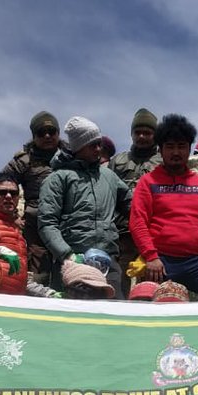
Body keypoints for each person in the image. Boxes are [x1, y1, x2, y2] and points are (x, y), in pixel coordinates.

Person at [131, 114, 198, 295]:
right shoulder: (147, 182)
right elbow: (137, 222)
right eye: (170, 146)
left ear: (189, 149)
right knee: (146, 302)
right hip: (159, 261)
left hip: (195, 262)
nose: (175, 152)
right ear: (160, 150)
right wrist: (151, 257)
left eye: (181, 146)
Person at [38, 116, 131, 291]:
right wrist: (66, 255)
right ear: (78, 147)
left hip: (108, 260)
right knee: (71, 313)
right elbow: (47, 223)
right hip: (72, 260)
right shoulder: (57, 178)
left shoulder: (109, 177)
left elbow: (133, 207)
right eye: (92, 145)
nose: (98, 149)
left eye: (99, 143)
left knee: (113, 310)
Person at [4, 111, 61, 284]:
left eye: (51, 131)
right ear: (33, 136)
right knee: (39, 273)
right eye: (41, 133)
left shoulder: (71, 157)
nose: (47, 136)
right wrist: (13, 216)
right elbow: (1, 184)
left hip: (66, 223)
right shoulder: (23, 161)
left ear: (58, 133)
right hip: (35, 225)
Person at [109, 109, 162, 291]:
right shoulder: (118, 160)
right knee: (119, 281)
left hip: (153, 232)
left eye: (147, 133)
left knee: (151, 282)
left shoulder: (163, 161)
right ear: (131, 134)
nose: (141, 136)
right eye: (137, 132)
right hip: (122, 231)